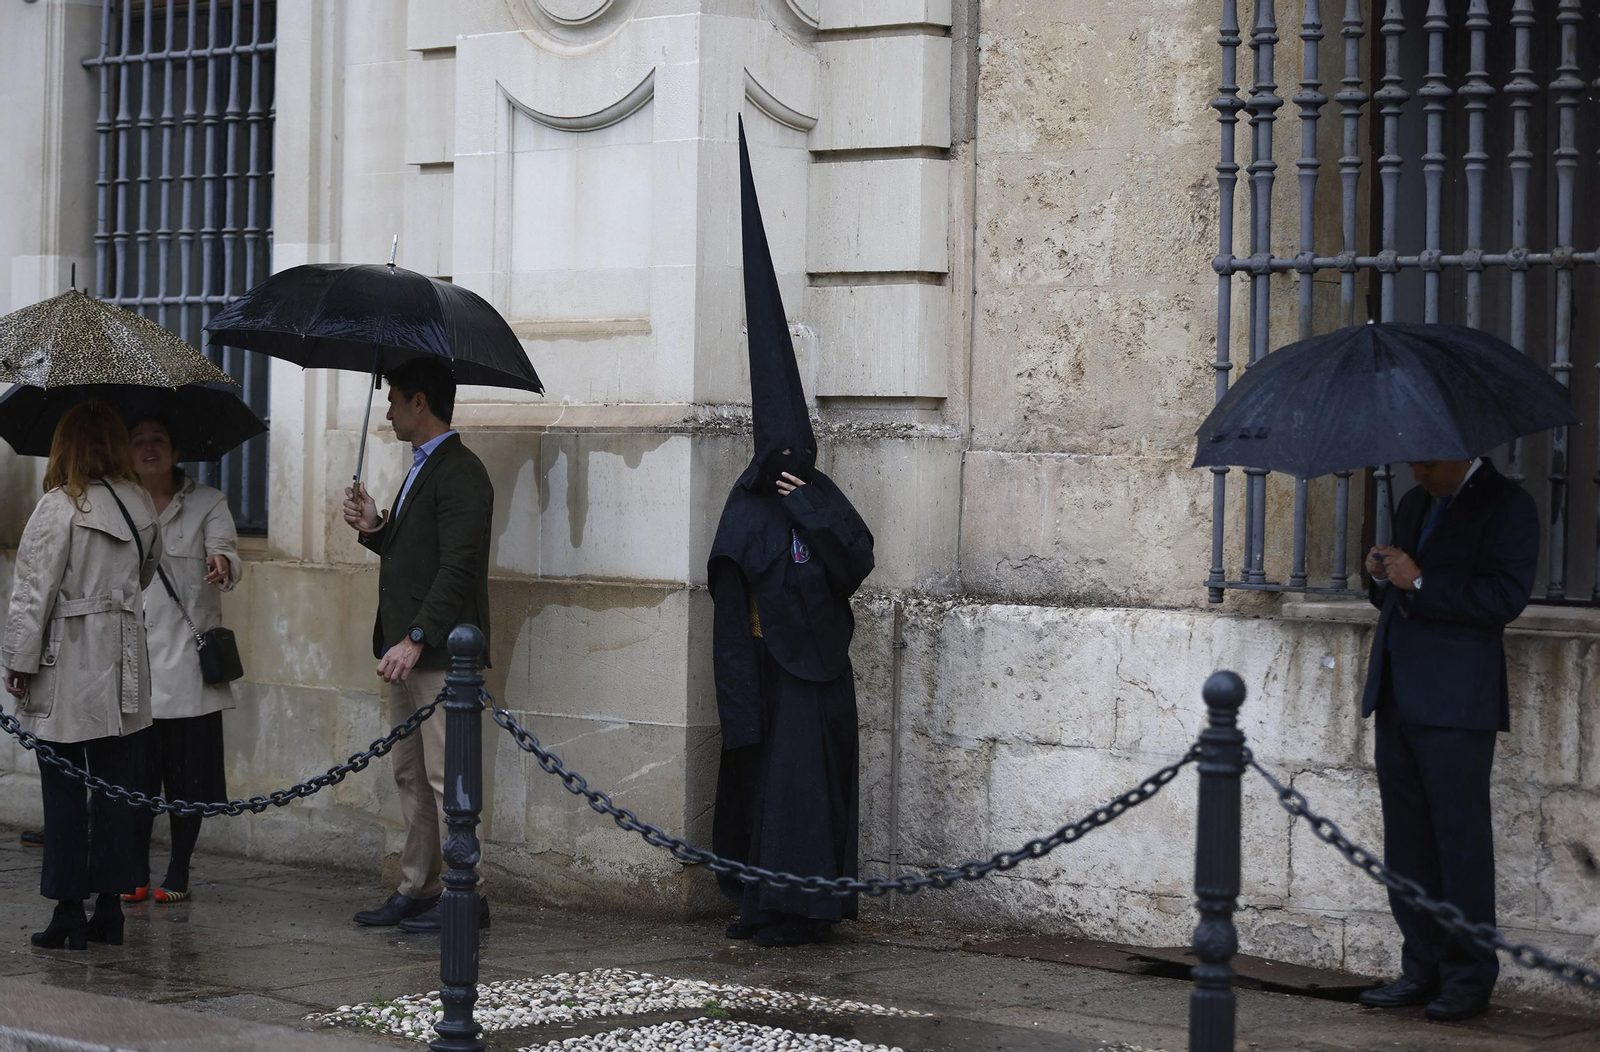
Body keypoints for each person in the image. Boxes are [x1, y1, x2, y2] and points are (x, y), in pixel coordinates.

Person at [708, 120, 875, 949]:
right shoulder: (743, 515)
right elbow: (730, 618)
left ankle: (816, 907)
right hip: (772, 683)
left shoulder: (818, 496)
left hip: (823, 677)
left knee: (817, 799)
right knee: (775, 797)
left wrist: (811, 500)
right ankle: (767, 904)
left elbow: (856, 560)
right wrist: (739, 709)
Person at [1357, 456, 1538, 1023]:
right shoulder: (1415, 503)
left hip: (1458, 703)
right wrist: (1381, 575)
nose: (1416, 470)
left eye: (1427, 459)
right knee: (1408, 844)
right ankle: (1422, 968)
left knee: (1459, 845)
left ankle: (1467, 976)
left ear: (1459, 450)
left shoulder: (1508, 505)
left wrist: (1422, 580)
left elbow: (1503, 599)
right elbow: (1393, 597)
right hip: (1398, 693)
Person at [341, 356, 494, 933]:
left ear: (420, 403)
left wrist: (415, 638)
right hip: (409, 654)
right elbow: (417, 556)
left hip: (438, 657)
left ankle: (466, 896)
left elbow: (457, 569)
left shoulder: (461, 472)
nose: (387, 410)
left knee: (445, 778)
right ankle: (421, 887)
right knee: (411, 775)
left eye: (395, 399)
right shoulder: (422, 466)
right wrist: (376, 526)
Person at [2, 401, 162, 950]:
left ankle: (70, 910)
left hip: (70, 656)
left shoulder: (59, 505)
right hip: (125, 660)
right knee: (116, 787)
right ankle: (111, 908)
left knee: (65, 788)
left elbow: (32, 592)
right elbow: (144, 575)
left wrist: (18, 662)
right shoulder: (138, 500)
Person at [121, 416, 243, 905]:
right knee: (132, 778)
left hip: (189, 666)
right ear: (127, 451)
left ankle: (178, 870)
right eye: (139, 441)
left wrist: (223, 564)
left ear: (175, 450)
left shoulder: (208, 501)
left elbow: (228, 553)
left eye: (159, 440)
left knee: (186, 780)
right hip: (130, 660)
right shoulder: (116, 502)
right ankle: (132, 868)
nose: (150, 448)